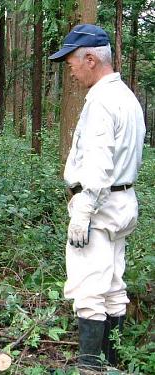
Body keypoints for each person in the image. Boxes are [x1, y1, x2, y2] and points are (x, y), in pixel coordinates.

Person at [49, 24, 145, 370]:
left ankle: (90, 366)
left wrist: (82, 212)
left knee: (89, 289)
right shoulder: (126, 98)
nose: (70, 70)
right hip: (122, 203)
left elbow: (100, 164)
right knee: (113, 286)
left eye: (72, 62)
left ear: (90, 59)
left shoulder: (103, 102)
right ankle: (112, 363)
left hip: (99, 206)